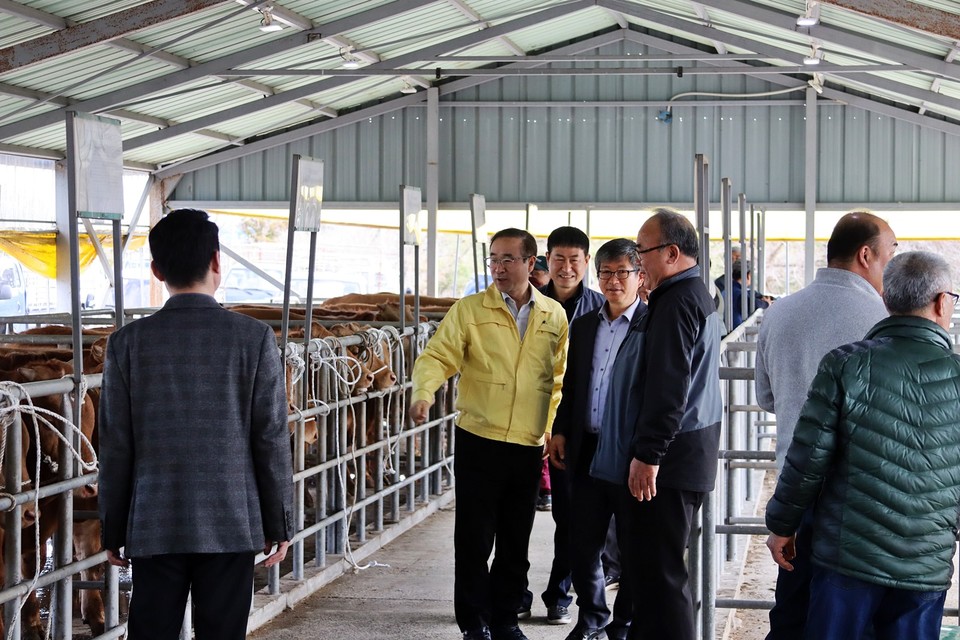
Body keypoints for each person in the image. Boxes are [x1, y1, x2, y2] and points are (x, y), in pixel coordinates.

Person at [98, 208, 293, 640]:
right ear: (216, 262)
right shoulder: (254, 338)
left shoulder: (126, 343)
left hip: (153, 521)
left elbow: (115, 444)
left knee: (151, 632)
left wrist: (111, 525)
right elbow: (271, 436)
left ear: (156, 270)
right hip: (232, 521)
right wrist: (279, 521)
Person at [765, 251, 960, 640]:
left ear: (886, 299)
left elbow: (807, 458)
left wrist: (782, 526)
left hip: (847, 559)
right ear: (942, 302)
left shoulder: (844, 364)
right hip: (925, 563)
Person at [409, 227, 568, 640]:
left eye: (507, 259)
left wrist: (551, 430)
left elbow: (558, 380)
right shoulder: (469, 310)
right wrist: (424, 393)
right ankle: (474, 623)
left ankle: (505, 621)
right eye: (493, 259)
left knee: (516, 542)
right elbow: (437, 355)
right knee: (474, 540)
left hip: (527, 445)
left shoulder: (554, 315)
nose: (497, 267)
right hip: (479, 439)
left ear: (531, 263)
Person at [755, 211, 897, 640]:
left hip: (794, 490)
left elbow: (765, 398)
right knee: (854, 618)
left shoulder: (780, 312)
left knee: (793, 610)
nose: (893, 262)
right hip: (859, 496)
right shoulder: (884, 322)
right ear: (867, 254)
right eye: (892, 252)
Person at [603, 208, 723, 640]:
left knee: (661, 578)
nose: (637, 263)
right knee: (653, 575)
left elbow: (669, 387)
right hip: (684, 453)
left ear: (672, 253)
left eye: (642, 252)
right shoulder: (690, 293)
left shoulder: (676, 302)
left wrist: (648, 454)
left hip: (669, 462)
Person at [548, 238, 646, 640]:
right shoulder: (585, 324)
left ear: (641, 277)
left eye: (623, 272)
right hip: (585, 447)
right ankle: (592, 619)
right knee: (582, 541)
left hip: (629, 451)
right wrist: (560, 429)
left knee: (630, 544)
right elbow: (572, 384)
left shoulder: (651, 324)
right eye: (606, 272)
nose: (613, 281)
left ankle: (622, 624)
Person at [521, 225, 604, 626]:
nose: (567, 268)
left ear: (587, 263)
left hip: (571, 430)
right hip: (523, 424)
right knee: (514, 515)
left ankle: (559, 593)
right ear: (546, 262)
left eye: (575, 260)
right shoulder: (528, 306)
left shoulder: (603, 310)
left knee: (570, 518)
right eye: (559, 260)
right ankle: (513, 592)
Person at [726, 260, 769, 328]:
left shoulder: (730, 289)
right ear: (748, 276)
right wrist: (766, 303)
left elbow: (753, 294)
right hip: (734, 331)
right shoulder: (738, 293)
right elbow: (753, 304)